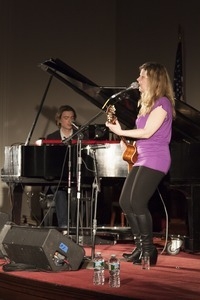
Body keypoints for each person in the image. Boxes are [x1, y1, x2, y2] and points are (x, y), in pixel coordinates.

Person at [106, 62, 176, 266]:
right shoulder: (145, 105)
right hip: (143, 156)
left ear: (154, 79)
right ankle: (139, 247)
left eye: (142, 76)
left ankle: (149, 249)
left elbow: (147, 133)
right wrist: (125, 141)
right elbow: (142, 136)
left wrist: (121, 132)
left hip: (156, 158)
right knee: (126, 202)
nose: (138, 80)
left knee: (137, 202)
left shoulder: (162, 103)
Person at [44, 105, 88, 230]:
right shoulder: (52, 137)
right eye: (66, 118)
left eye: (72, 118)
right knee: (59, 191)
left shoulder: (81, 136)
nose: (70, 121)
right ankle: (64, 227)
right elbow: (49, 162)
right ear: (59, 120)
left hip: (77, 177)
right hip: (57, 178)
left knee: (84, 190)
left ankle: (79, 228)